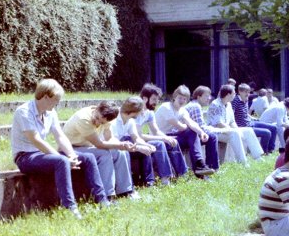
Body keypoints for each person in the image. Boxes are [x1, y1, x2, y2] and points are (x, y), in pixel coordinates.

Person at [10, 79, 109, 219]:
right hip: (25, 157)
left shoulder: (50, 112)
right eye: (56, 99)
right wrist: (62, 157)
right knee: (61, 161)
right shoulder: (24, 112)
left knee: (88, 158)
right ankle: (70, 208)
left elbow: (60, 136)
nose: (58, 103)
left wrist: (72, 155)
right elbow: (36, 140)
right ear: (45, 97)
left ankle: (102, 200)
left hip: (39, 154)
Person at [63, 101, 140, 201]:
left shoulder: (106, 118)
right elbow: (99, 144)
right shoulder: (83, 119)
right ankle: (107, 196)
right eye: (97, 118)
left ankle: (125, 191)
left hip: (86, 147)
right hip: (71, 148)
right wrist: (121, 145)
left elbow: (109, 138)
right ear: (96, 109)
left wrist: (123, 146)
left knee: (121, 153)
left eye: (102, 123)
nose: (98, 123)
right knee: (104, 154)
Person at [155, 85, 217, 178]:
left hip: (173, 137)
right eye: (180, 98)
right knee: (190, 131)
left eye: (184, 99)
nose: (182, 101)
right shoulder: (166, 107)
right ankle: (199, 166)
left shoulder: (182, 110)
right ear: (174, 96)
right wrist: (187, 126)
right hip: (161, 138)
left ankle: (208, 167)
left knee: (209, 136)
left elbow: (191, 123)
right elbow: (180, 127)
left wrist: (201, 133)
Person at [111, 96, 174, 187]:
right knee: (138, 151)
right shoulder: (115, 119)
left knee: (146, 150)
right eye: (141, 109)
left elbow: (136, 138)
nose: (143, 111)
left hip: (123, 145)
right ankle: (130, 187)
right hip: (113, 146)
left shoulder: (130, 119)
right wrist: (138, 147)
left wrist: (146, 145)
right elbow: (115, 142)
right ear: (134, 111)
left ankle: (149, 182)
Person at [136, 83, 189, 179]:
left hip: (142, 139)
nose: (156, 102)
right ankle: (166, 178)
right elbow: (139, 135)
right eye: (153, 99)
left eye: (157, 99)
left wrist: (166, 138)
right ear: (144, 98)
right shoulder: (136, 111)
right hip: (130, 139)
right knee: (159, 143)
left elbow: (156, 130)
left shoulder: (149, 112)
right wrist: (162, 138)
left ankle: (183, 174)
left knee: (173, 141)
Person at [205, 84, 264, 165]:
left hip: (227, 130)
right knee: (235, 133)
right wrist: (234, 131)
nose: (235, 95)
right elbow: (219, 123)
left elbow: (232, 121)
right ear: (228, 94)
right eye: (234, 93)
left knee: (248, 131)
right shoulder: (215, 104)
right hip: (216, 132)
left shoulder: (229, 104)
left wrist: (236, 130)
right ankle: (243, 162)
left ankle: (258, 157)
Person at [232, 83, 276, 154]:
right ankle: (264, 152)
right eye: (245, 92)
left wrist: (254, 118)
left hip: (250, 122)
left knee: (273, 128)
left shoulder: (245, 99)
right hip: (244, 126)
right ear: (240, 92)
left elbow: (246, 114)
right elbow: (231, 114)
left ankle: (270, 150)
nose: (247, 94)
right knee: (267, 133)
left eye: (248, 92)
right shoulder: (235, 100)